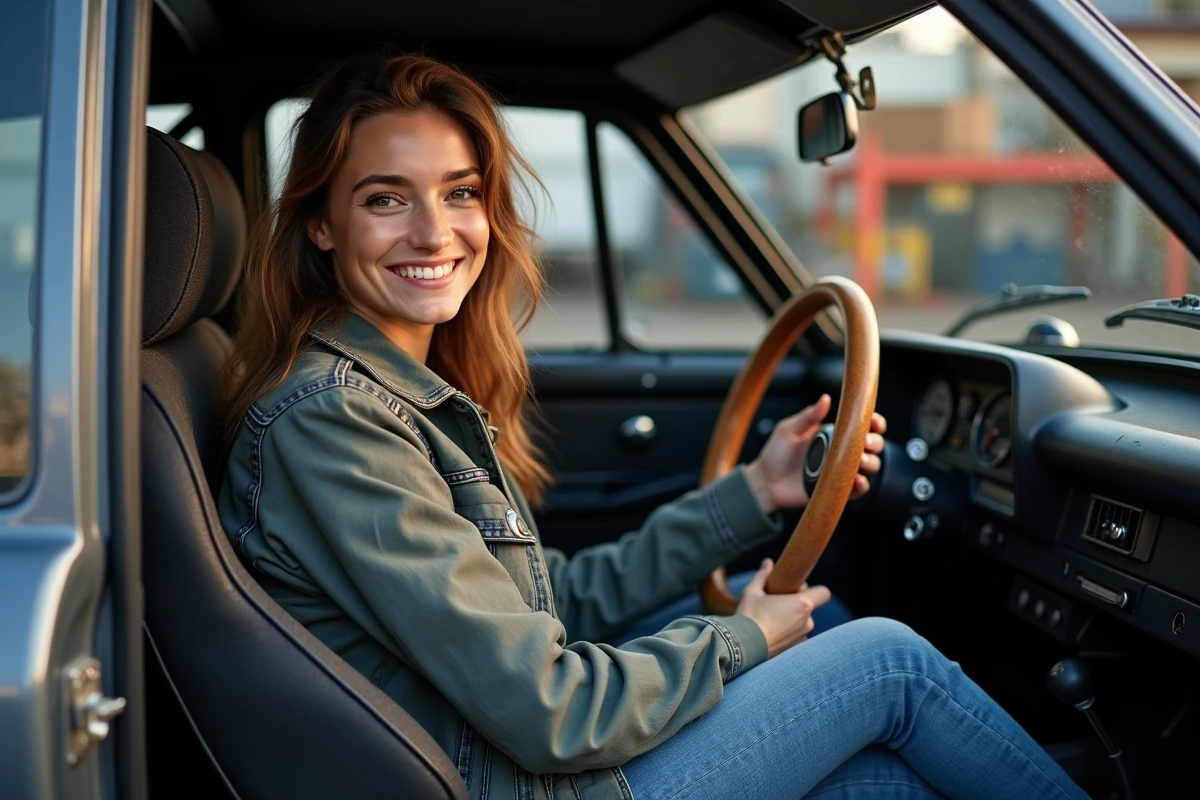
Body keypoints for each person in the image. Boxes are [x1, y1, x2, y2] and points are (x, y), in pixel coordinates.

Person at [218, 53, 1087, 800]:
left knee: (882, 775)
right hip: (521, 781)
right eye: (385, 199)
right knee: (888, 662)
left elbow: (549, 601)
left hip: (504, 762)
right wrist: (744, 637)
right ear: (321, 224)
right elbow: (551, 711)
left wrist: (754, 492)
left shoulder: (399, 393)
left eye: (461, 193)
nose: (434, 231)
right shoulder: (336, 419)